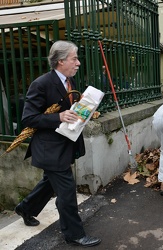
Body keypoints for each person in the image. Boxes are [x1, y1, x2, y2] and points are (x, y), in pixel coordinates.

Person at [14, 40, 101, 247]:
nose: (78, 63)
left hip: (64, 145)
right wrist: (59, 117)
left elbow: (69, 110)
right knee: (67, 192)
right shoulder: (41, 83)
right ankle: (74, 234)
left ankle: (26, 208)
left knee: (48, 184)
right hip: (49, 149)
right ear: (61, 61)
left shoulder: (69, 82)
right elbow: (28, 119)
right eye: (74, 58)